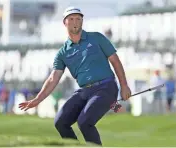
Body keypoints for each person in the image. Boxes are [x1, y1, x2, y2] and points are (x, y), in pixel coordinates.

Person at [18, 7, 131, 146]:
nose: (75, 22)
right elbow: (53, 78)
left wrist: (124, 86)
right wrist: (37, 99)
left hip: (106, 87)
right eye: (71, 19)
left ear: (82, 21)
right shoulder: (62, 53)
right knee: (60, 122)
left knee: (84, 122)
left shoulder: (97, 38)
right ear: (64, 23)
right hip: (85, 91)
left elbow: (115, 61)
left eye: (78, 18)